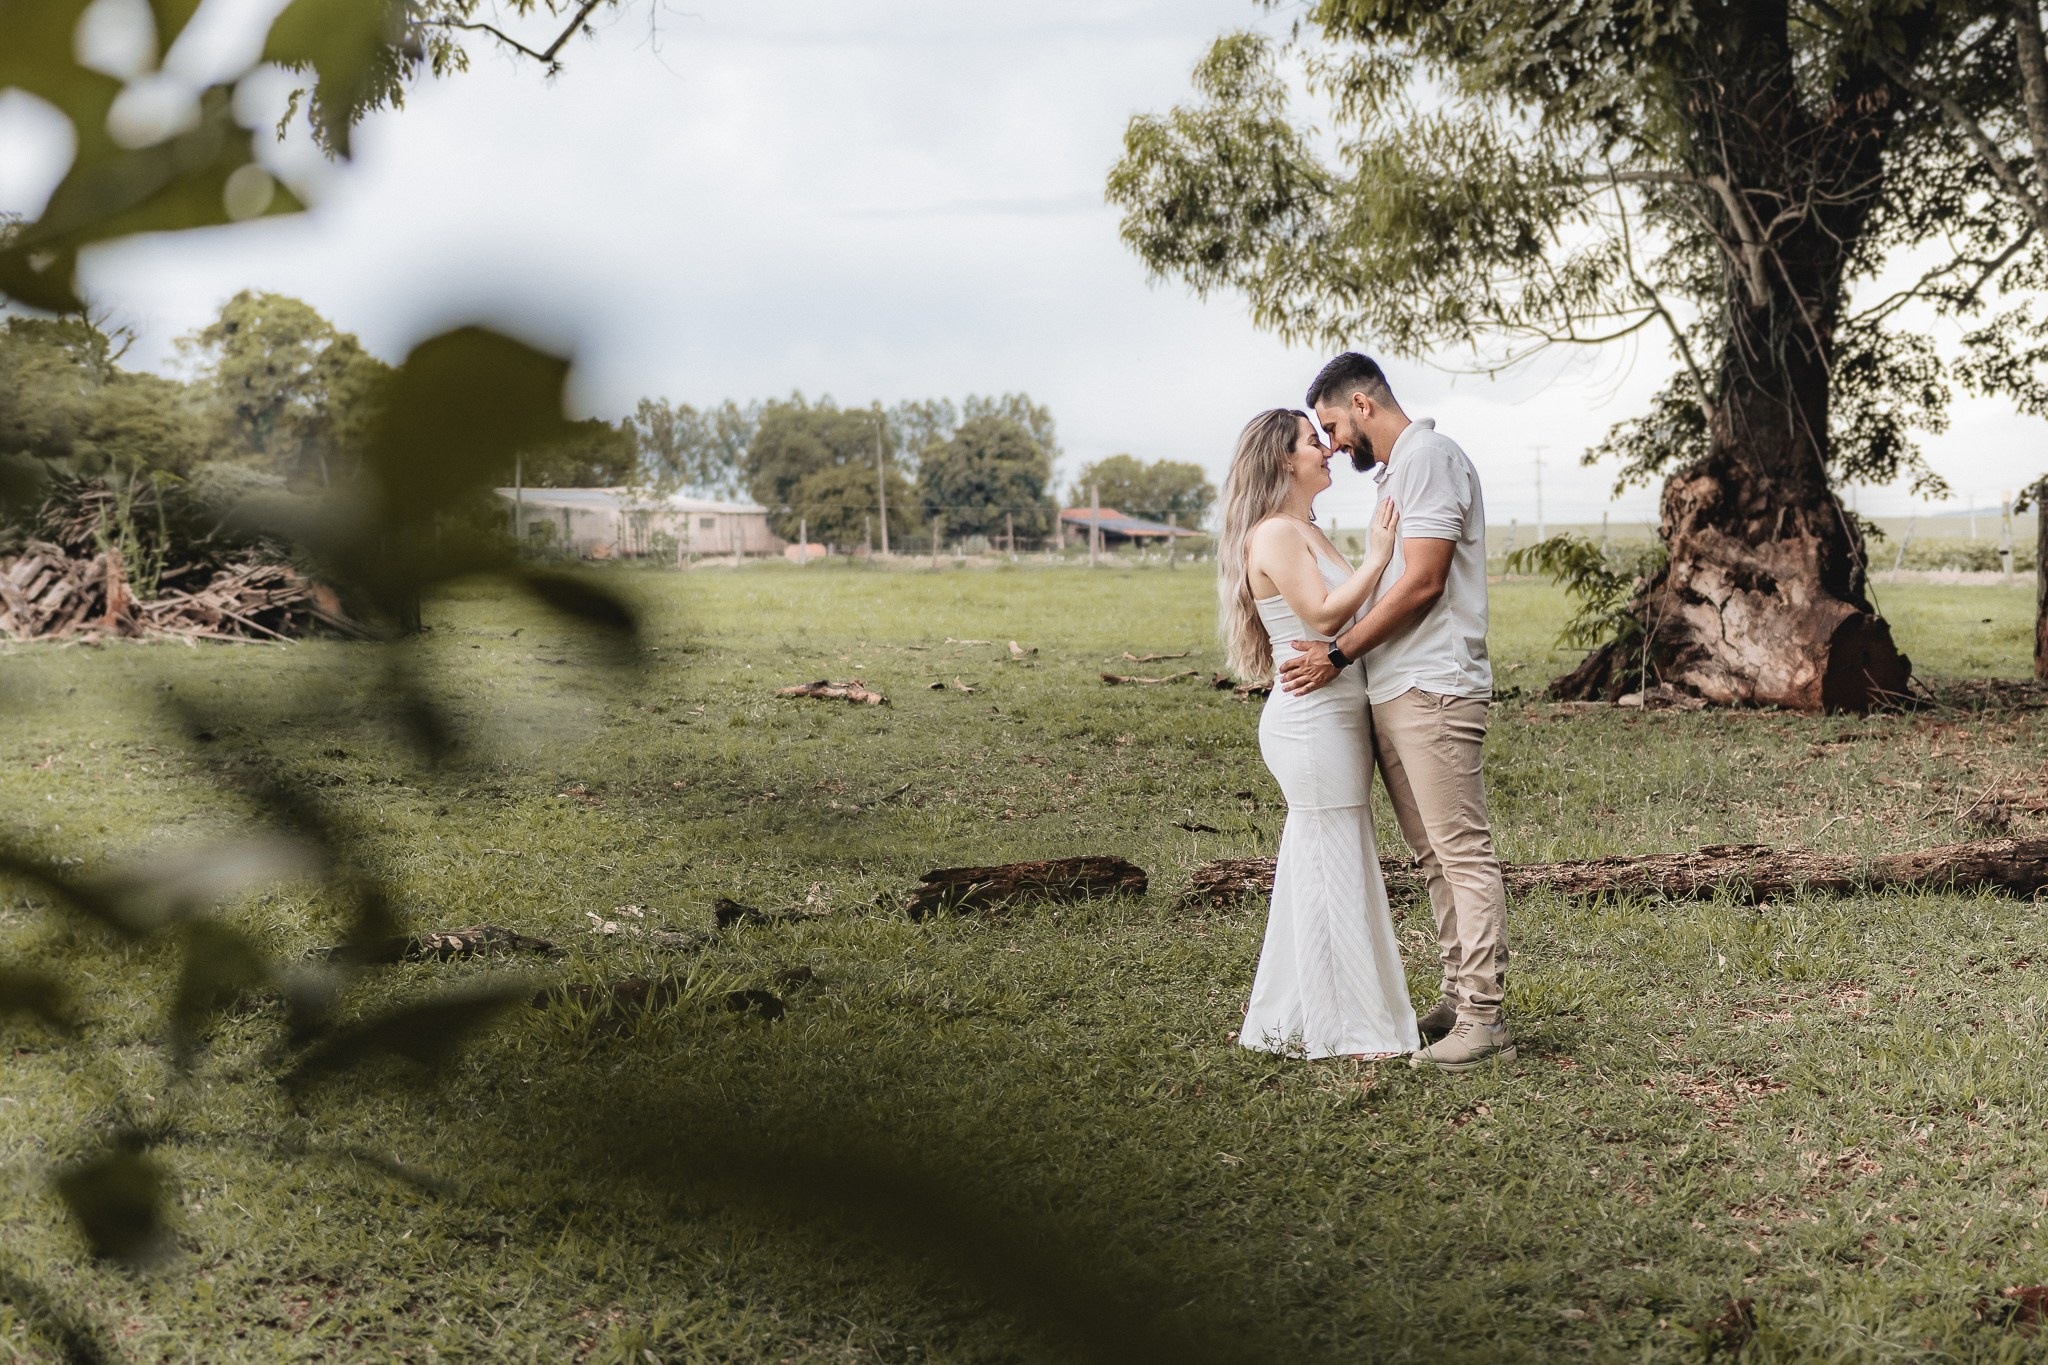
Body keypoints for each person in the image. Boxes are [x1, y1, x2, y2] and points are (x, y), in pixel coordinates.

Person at [1277, 353, 1513, 1071]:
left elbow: (1425, 583)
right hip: (1398, 689)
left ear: (1362, 402)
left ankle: (1484, 1016)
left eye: (1332, 424)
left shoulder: (1430, 457)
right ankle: (1456, 993)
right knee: (1431, 855)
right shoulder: (1399, 471)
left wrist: (1339, 654)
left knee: (1461, 851)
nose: (1332, 441)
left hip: (1435, 687)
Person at [1220, 407, 1418, 1060]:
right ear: (1283, 459)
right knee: (1328, 858)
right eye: (1314, 442)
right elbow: (1327, 612)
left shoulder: (1304, 529)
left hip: (1335, 715)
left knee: (1331, 857)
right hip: (1309, 723)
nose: (1328, 449)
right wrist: (1379, 554)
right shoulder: (1276, 533)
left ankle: (1294, 1017)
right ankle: (1345, 1029)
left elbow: (1355, 613)